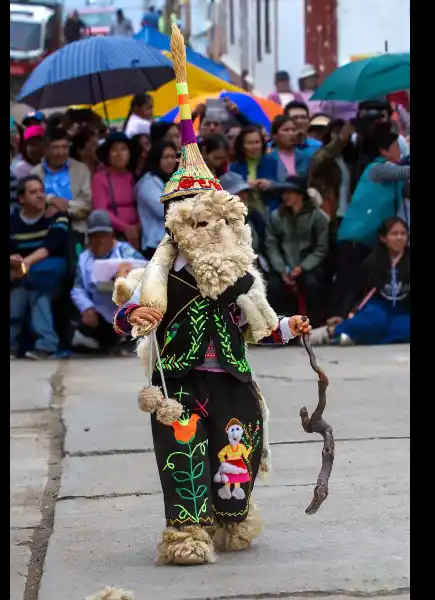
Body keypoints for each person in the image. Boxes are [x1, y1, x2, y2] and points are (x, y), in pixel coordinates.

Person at [109, 25, 312, 566]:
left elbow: (261, 320)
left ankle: (231, 520)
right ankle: (185, 534)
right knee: (182, 450)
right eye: (194, 219)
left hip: (233, 376)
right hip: (178, 376)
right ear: (178, 221)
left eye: (211, 216)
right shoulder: (161, 267)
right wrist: (136, 314)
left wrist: (289, 327)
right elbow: (131, 309)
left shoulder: (237, 268)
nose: (205, 228)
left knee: (235, 448)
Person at [333, 123, 410, 317]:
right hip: (354, 238)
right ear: (384, 150)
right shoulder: (376, 169)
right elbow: (402, 171)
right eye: (396, 147)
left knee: (361, 284)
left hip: (370, 239)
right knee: (349, 285)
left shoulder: (394, 176)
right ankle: (337, 324)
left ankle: (349, 322)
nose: (400, 151)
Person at [311, 217, 409, 346]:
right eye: (394, 234)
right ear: (383, 238)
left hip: (402, 311)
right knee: (376, 319)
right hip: (377, 308)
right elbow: (356, 290)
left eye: (403, 234)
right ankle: (331, 332)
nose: (400, 238)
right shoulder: (372, 261)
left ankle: (356, 336)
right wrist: (343, 314)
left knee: (405, 327)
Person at [10, 176, 70, 360]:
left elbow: (51, 246)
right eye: (33, 192)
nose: (40, 196)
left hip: (52, 270)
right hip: (27, 276)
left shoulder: (57, 216)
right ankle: (45, 345)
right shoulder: (12, 221)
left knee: (36, 276)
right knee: (32, 290)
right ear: (21, 198)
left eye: (41, 191)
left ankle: (16, 345)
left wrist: (25, 263)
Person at [70, 210, 144, 353]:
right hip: (100, 311)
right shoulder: (84, 258)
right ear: (89, 238)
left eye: (103, 235)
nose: (100, 241)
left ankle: (129, 339)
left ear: (112, 235)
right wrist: (87, 307)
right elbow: (77, 288)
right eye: (95, 237)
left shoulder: (125, 251)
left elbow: (145, 271)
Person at [264, 176, 330, 329]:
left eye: (290, 192)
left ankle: (315, 327)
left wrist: (303, 267)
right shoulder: (276, 216)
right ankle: (280, 331)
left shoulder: (317, 217)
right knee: (273, 286)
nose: (285, 196)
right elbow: (271, 245)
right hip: (283, 265)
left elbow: (321, 248)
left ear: (300, 194)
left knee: (312, 284)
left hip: (308, 264)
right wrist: (282, 269)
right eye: (284, 193)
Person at [30, 129, 93, 236]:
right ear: (46, 149)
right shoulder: (35, 173)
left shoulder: (81, 169)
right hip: (43, 231)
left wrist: (63, 208)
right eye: (55, 148)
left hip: (75, 231)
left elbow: (87, 205)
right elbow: (31, 203)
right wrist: (51, 199)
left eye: (65, 147)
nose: (61, 153)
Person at [92, 132, 140, 248]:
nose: (119, 154)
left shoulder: (136, 176)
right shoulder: (99, 178)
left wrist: (136, 228)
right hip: (113, 235)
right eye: (114, 150)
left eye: (123, 149)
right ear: (107, 155)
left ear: (129, 153)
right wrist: (126, 228)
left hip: (139, 233)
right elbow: (101, 210)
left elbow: (145, 206)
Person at [135, 141, 178, 259]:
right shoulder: (147, 183)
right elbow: (163, 209)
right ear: (156, 158)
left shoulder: (174, 180)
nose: (170, 161)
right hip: (155, 245)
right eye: (166, 157)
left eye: (173, 157)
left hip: (174, 243)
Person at [228, 126, 286, 213]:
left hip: (272, 212)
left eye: (257, 142)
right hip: (245, 213)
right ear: (242, 146)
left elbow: (287, 187)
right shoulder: (234, 167)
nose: (254, 146)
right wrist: (245, 187)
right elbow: (229, 193)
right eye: (250, 143)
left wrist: (270, 184)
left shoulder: (274, 161)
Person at [307, 118, 355, 220]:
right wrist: (339, 141)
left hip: (349, 214)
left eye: (342, 132)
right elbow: (317, 163)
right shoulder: (322, 155)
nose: (340, 135)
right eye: (336, 132)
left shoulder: (350, 158)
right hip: (330, 212)